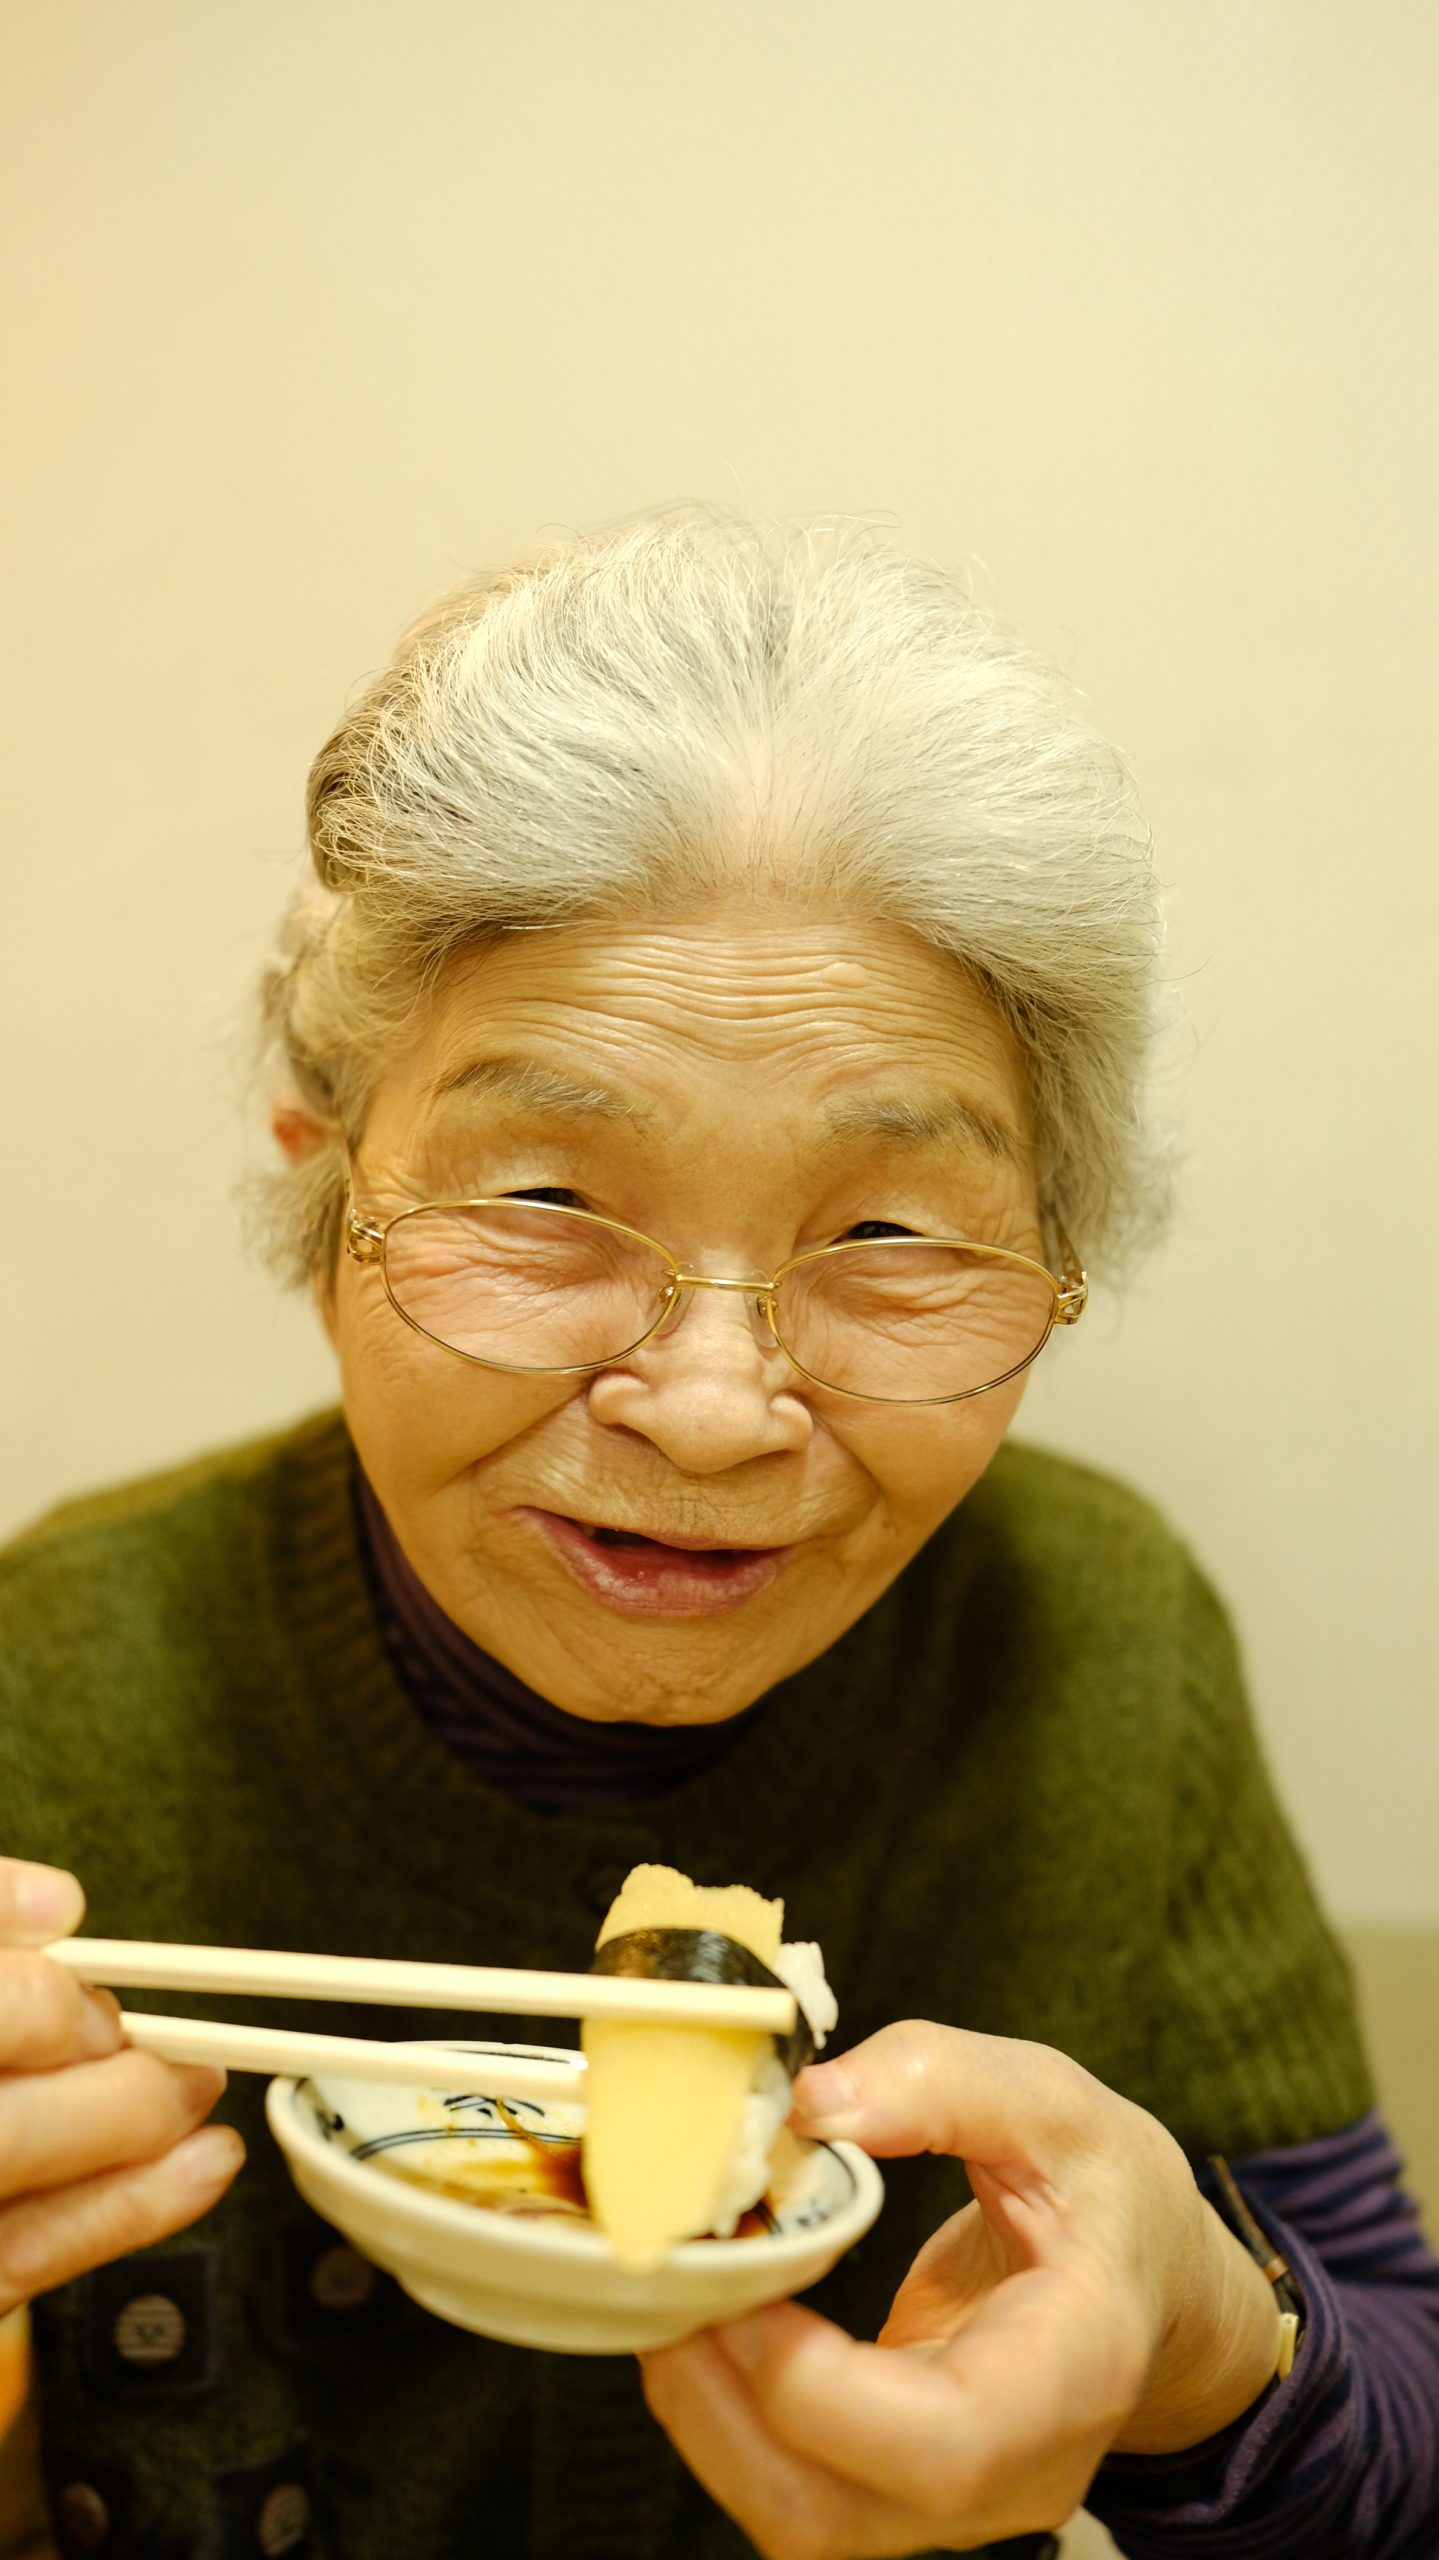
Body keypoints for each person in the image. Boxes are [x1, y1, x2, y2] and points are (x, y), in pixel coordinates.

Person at [1, 510, 1435, 2560]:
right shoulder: (49, 1683)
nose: (705, 1405)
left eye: (890, 1232)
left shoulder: (1100, 1640)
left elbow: (1399, 2387)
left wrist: (1214, 2342)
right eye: (544, 1201)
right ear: (321, 1188)